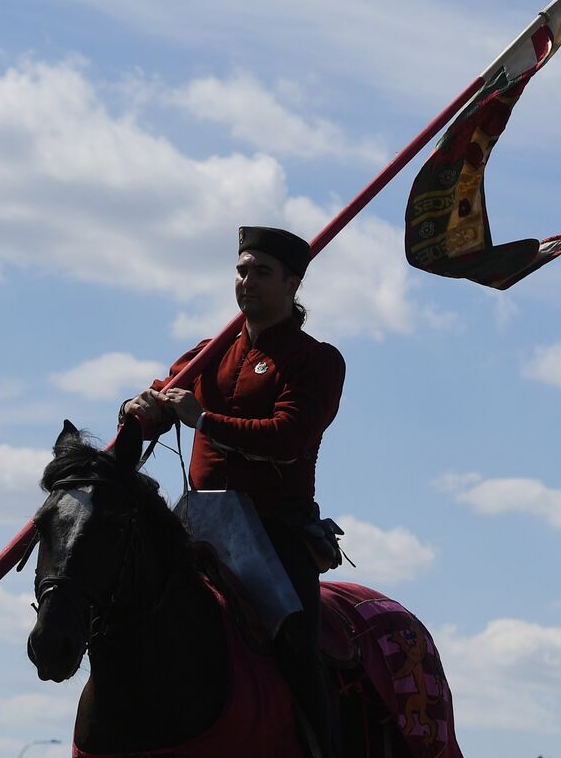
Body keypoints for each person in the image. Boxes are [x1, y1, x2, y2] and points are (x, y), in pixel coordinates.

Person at [122, 225, 344, 757]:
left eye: (261, 273)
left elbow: (287, 439)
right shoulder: (209, 351)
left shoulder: (316, 360)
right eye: (242, 271)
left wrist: (203, 421)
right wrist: (141, 410)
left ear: (293, 283)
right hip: (197, 527)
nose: (247, 282)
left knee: (297, 649)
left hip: (273, 531)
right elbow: (164, 396)